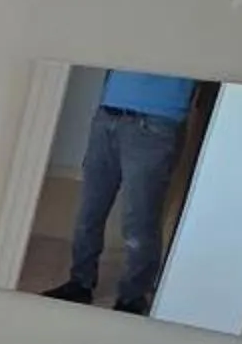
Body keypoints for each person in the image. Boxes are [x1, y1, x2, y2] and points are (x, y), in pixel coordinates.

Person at [46, 71, 194, 313]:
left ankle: (133, 297)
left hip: (157, 121)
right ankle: (80, 283)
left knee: (140, 220)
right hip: (108, 114)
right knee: (89, 211)